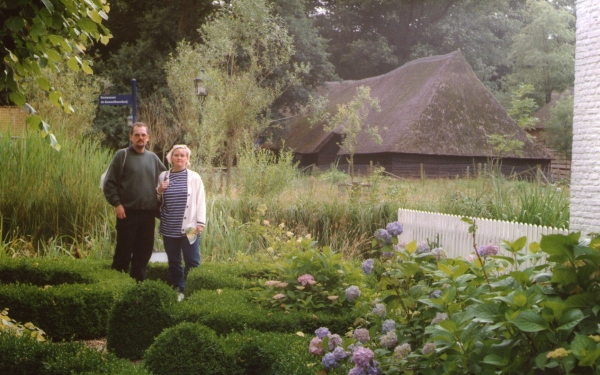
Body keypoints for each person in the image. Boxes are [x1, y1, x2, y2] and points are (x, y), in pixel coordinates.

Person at [103, 122, 166, 282]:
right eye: (137, 135)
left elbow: (166, 177)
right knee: (123, 254)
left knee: (143, 255)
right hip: (127, 214)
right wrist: (117, 204)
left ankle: (137, 289)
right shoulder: (121, 156)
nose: (140, 138)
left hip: (148, 215)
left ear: (148, 138)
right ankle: (116, 287)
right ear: (131, 137)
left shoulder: (153, 158)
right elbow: (109, 184)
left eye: (143, 135)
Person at [157, 145, 206, 299]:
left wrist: (200, 223)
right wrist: (159, 191)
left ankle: (193, 289)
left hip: (190, 228)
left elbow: (201, 201)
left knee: (192, 260)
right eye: (176, 155)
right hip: (169, 227)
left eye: (182, 155)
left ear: (187, 159)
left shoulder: (194, 177)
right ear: (170, 158)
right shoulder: (163, 176)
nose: (179, 158)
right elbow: (158, 201)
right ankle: (179, 287)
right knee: (174, 260)